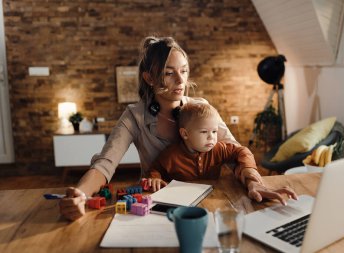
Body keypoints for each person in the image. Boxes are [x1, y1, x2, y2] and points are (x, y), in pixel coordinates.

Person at [59, 36, 239, 221]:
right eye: (169, 73)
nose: (180, 80)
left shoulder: (202, 108)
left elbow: (236, 151)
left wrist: (253, 180)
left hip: (208, 200)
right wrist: (80, 194)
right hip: (154, 204)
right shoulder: (134, 116)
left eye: (184, 71)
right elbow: (104, 164)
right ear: (149, 78)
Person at [147, 103, 298, 204]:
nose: (211, 137)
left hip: (215, 199)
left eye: (214, 131)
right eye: (204, 132)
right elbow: (155, 169)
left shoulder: (218, 149)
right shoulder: (170, 155)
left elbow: (242, 151)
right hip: (182, 204)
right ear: (185, 134)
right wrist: (154, 178)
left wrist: (248, 170)